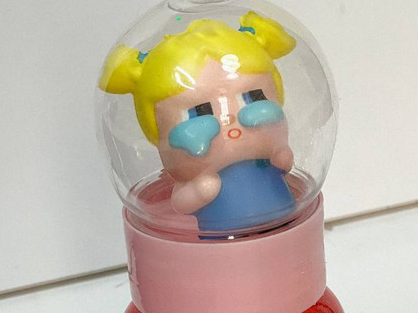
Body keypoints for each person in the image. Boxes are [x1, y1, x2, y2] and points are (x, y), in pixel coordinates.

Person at [100, 12, 297, 233]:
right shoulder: (198, 179)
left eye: (253, 96)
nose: (230, 119)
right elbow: (180, 203)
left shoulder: (264, 159)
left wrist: (281, 157)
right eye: (200, 110)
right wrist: (199, 191)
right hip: (217, 233)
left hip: (284, 218)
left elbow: (284, 163)